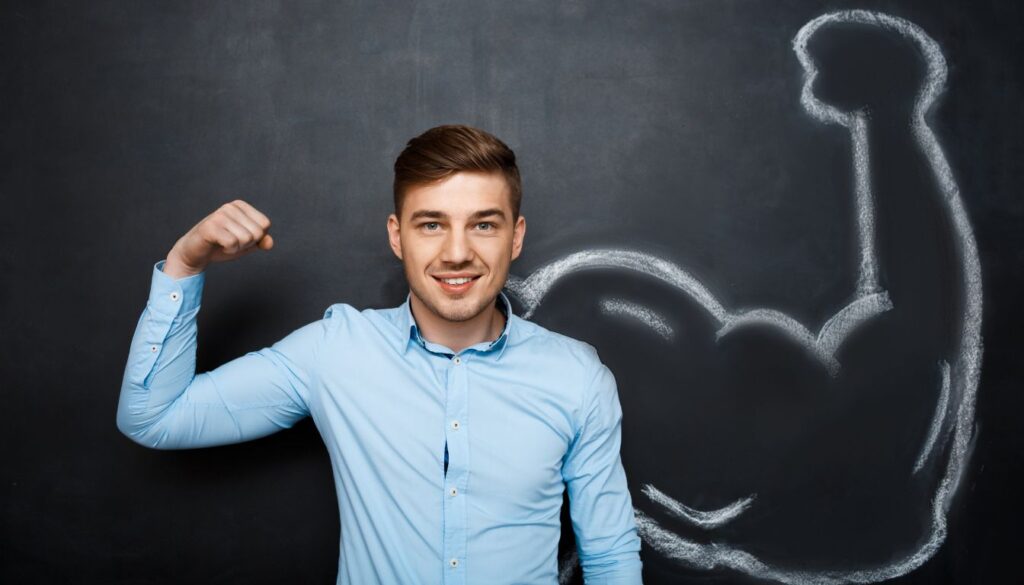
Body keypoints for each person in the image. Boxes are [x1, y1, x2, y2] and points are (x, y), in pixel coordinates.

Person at [117, 124, 643, 584]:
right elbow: (154, 417)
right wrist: (185, 264)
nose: (457, 251)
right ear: (397, 237)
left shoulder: (576, 376)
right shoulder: (335, 352)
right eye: (431, 224)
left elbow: (610, 555)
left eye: (483, 224)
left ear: (516, 236)